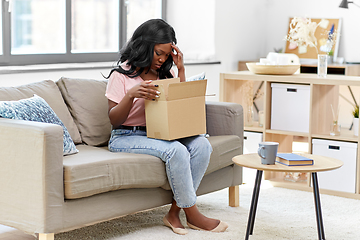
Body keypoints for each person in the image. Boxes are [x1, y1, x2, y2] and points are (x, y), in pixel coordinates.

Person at [105, 19, 228, 235]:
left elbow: (178, 107)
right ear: (144, 46)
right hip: (125, 135)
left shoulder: (165, 74)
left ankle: (173, 213)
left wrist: (180, 69)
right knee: (176, 150)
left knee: (201, 145)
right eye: (158, 53)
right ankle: (193, 214)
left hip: (158, 133)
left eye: (166, 55)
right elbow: (114, 120)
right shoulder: (121, 75)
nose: (162, 59)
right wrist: (132, 95)